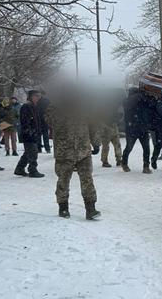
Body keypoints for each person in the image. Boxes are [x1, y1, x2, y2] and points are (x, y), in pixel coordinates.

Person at [46, 89, 101, 220]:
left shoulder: (85, 107)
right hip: (64, 151)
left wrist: (96, 143)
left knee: (87, 179)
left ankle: (90, 208)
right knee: (63, 180)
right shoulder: (54, 108)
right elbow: (49, 121)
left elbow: (92, 125)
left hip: (83, 149)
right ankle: (63, 207)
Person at [121, 88, 156, 174]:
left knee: (144, 148)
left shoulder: (141, 101)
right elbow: (130, 104)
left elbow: (150, 107)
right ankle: (125, 163)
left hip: (139, 128)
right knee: (131, 147)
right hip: (134, 128)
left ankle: (145, 166)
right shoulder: (130, 101)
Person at [15, 90, 44, 178]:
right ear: (31, 96)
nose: (38, 98)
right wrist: (29, 131)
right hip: (28, 134)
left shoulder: (34, 106)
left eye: (39, 96)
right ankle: (32, 170)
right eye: (36, 96)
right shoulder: (26, 106)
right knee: (33, 152)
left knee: (28, 152)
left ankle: (19, 169)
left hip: (34, 133)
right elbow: (25, 121)